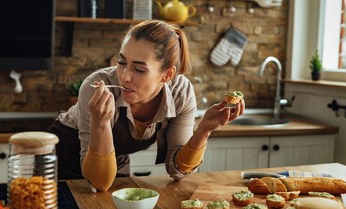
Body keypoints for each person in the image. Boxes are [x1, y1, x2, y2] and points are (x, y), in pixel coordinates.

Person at [49, 20, 245, 192]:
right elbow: (98, 183)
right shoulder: (96, 87)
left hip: (115, 157)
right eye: (121, 62)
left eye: (139, 69)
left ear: (167, 75)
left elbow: (177, 171)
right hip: (66, 154)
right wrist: (100, 123)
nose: (125, 76)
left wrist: (203, 130)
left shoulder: (180, 93)